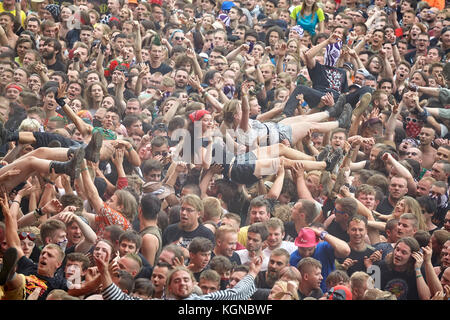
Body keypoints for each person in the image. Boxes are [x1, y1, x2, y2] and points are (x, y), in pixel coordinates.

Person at [290, 227, 350, 292]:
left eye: (310, 249)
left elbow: (345, 250)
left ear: (315, 245)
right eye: (302, 249)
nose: (306, 254)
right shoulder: (293, 258)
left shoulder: (323, 248)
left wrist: (321, 234)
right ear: (298, 245)